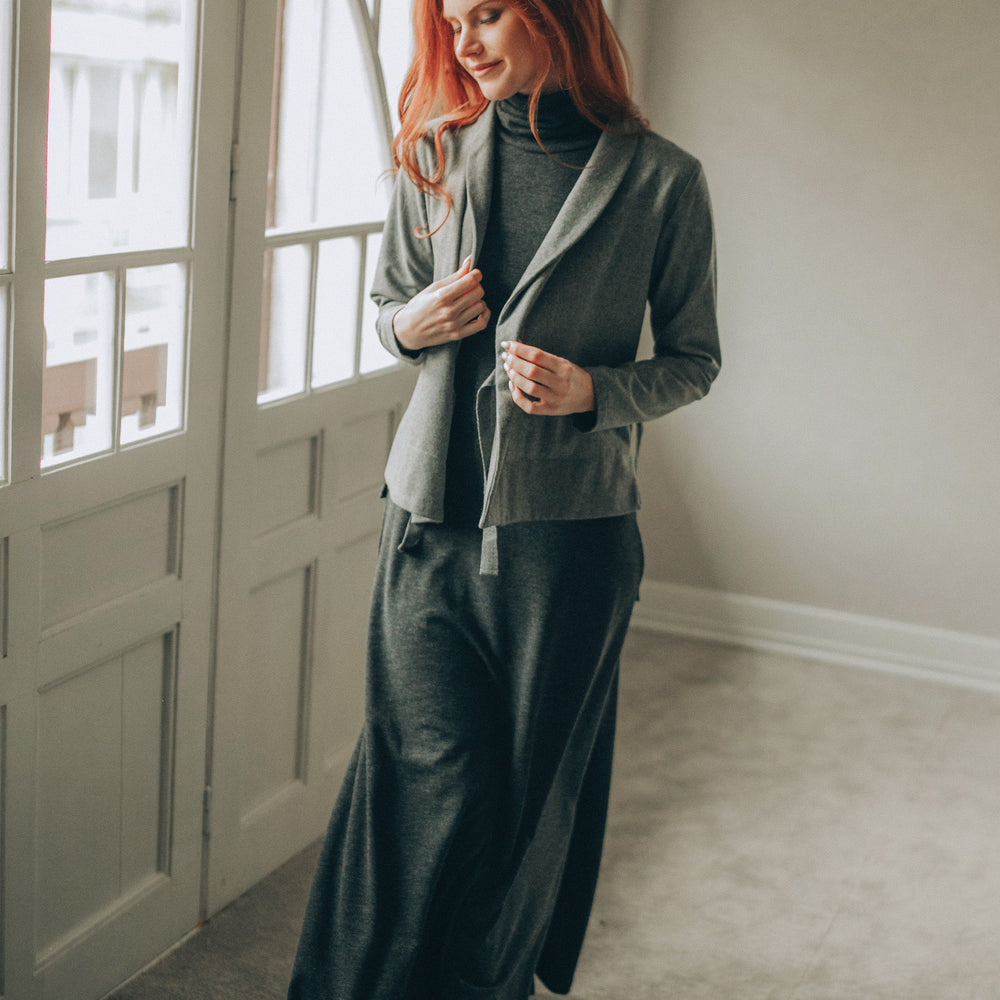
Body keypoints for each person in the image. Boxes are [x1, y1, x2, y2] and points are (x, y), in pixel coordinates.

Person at [287, 0, 720, 997]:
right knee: (430, 787)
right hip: (426, 530)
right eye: (450, 20)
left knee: (525, 806)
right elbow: (387, 303)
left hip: (569, 546)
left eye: (486, 14)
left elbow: (695, 360)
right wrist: (411, 326)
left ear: (558, 15)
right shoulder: (432, 156)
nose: (464, 42)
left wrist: (597, 391)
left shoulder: (662, 182)